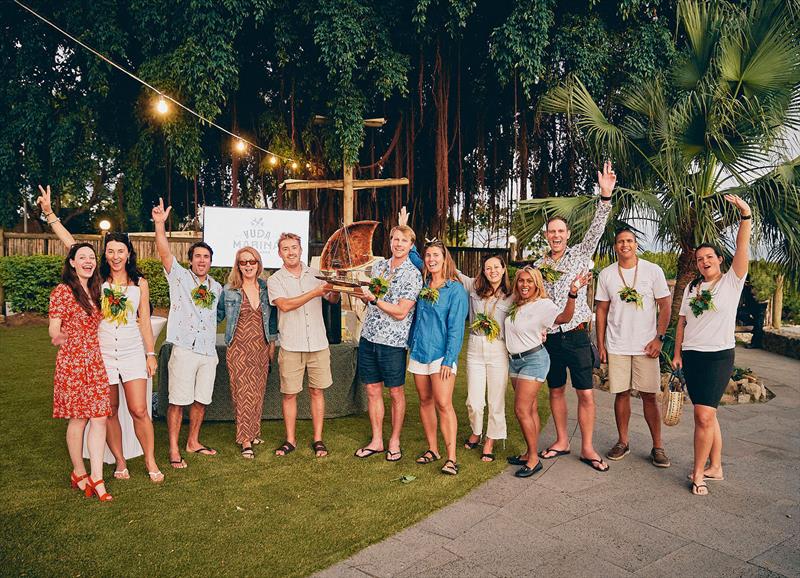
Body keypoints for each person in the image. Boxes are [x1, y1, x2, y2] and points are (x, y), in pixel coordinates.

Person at [38, 185, 163, 483]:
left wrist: (150, 353)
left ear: (129, 253)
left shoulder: (139, 282)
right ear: (104, 254)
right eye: (110, 251)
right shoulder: (96, 278)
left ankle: (150, 460)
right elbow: (73, 247)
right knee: (108, 410)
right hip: (101, 352)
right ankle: (120, 461)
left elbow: (144, 320)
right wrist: (50, 214)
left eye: (121, 250)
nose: (116, 255)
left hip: (133, 350)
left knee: (139, 409)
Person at [535, 161, 616, 472]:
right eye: (551, 232)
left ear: (567, 234)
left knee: (584, 392)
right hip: (550, 339)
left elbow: (597, 226)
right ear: (546, 236)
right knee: (555, 390)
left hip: (577, 335)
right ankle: (561, 440)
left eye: (560, 231)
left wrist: (605, 196)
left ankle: (587, 447)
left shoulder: (580, 255)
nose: (556, 236)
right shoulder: (538, 264)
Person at [673, 195, 752, 496]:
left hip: (718, 357)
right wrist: (678, 354)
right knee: (709, 413)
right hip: (692, 355)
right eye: (699, 259)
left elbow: (742, 249)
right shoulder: (692, 288)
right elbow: (682, 322)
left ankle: (698, 473)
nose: (704, 262)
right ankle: (715, 466)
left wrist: (745, 216)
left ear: (720, 259)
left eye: (709, 257)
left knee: (703, 416)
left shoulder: (731, 282)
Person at [152, 198, 223, 469]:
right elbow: (164, 252)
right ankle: (173, 448)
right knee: (177, 401)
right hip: (183, 348)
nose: (202, 260)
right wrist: (160, 225)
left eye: (206, 257)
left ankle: (193, 441)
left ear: (211, 262)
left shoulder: (216, 287)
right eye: (197, 256)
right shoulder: (179, 277)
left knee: (201, 400)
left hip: (207, 351)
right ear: (191, 260)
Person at [596, 228, 672, 467]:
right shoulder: (607, 274)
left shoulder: (653, 270)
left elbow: (665, 306)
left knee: (650, 395)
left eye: (629, 241)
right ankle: (623, 442)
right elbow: (601, 310)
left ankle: (658, 446)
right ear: (615, 246)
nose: (625, 245)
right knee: (621, 393)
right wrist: (601, 344)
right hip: (617, 344)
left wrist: (659, 338)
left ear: (636, 244)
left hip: (646, 345)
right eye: (620, 241)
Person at [505, 266, 590, 477]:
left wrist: (572, 293)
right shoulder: (516, 304)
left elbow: (565, 318)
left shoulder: (544, 305)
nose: (525, 285)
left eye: (529, 281)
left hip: (533, 360)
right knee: (530, 409)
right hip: (515, 361)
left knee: (521, 409)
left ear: (537, 284)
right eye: (522, 281)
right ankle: (528, 453)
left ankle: (534, 460)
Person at [48, 242, 113, 501]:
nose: (88, 261)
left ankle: (97, 477)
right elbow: (54, 327)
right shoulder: (63, 291)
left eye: (91, 257)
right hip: (73, 362)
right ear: (72, 262)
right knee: (78, 419)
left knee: (99, 418)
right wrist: (59, 336)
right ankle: (78, 471)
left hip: (94, 361)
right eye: (81, 257)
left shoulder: (97, 290)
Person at [354, 223, 422, 462]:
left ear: (411, 245)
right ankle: (376, 440)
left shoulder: (413, 274)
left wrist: (374, 301)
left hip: (393, 342)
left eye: (404, 241)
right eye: (395, 239)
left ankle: (394, 440)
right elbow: (371, 299)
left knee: (395, 392)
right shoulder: (379, 267)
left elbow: (402, 312)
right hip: (369, 336)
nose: (398, 244)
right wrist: (365, 298)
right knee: (372, 390)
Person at [268, 232, 338, 458]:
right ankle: (290, 440)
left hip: (318, 343)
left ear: (300, 250)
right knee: (289, 394)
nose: (291, 252)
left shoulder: (316, 274)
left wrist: (335, 285)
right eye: (286, 248)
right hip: (291, 344)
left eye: (294, 248)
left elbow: (332, 299)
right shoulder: (275, 279)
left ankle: (318, 439)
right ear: (279, 253)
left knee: (317, 392)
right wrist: (315, 292)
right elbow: (285, 306)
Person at [407, 239, 469, 475]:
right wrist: (411, 242)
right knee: (425, 401)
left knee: (443, 403)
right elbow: (412, 258)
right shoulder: (424, 283)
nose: (431, 259)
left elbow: (456, 328)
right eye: (428, 255)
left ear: (445, 258)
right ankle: (433, 449)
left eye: (436, 255)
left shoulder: (455, 290)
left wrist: (449, 359)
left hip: (441, 354)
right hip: (419, 351)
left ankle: (452, 458)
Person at [219, 246, 279, 459]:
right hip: (238, 348)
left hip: (260, 347)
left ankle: (253, 432)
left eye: (252, 261)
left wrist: (271, 343)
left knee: (257, 392)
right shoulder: (229, 290)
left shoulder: (265, 288)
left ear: (258, 264)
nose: (248, 266)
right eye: (243, 262)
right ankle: (245, 440)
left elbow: (271, 318)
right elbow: (216, 315)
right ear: (238, 265)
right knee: (242, 393)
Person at [458, 254, 514, 462]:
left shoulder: (512, 294)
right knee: (474, 400)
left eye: (496, 267)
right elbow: (452, 271)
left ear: (503, 269)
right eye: (488, 267)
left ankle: (490, 439)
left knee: (496, 399)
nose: (492, 271)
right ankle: (476, 430)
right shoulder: (473, 287)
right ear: (483, 270)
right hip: (475, 347)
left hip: (498, 348)